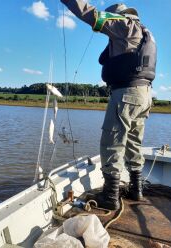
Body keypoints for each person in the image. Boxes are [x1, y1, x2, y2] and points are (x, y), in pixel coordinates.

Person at [61, 0, 157, 210]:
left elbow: (90, 14)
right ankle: (136, 188)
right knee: (133, 141)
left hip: (126, 94)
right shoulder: (144, 33)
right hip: (145, 95)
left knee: (112, 140)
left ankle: (111, 196)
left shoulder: (123, 24)